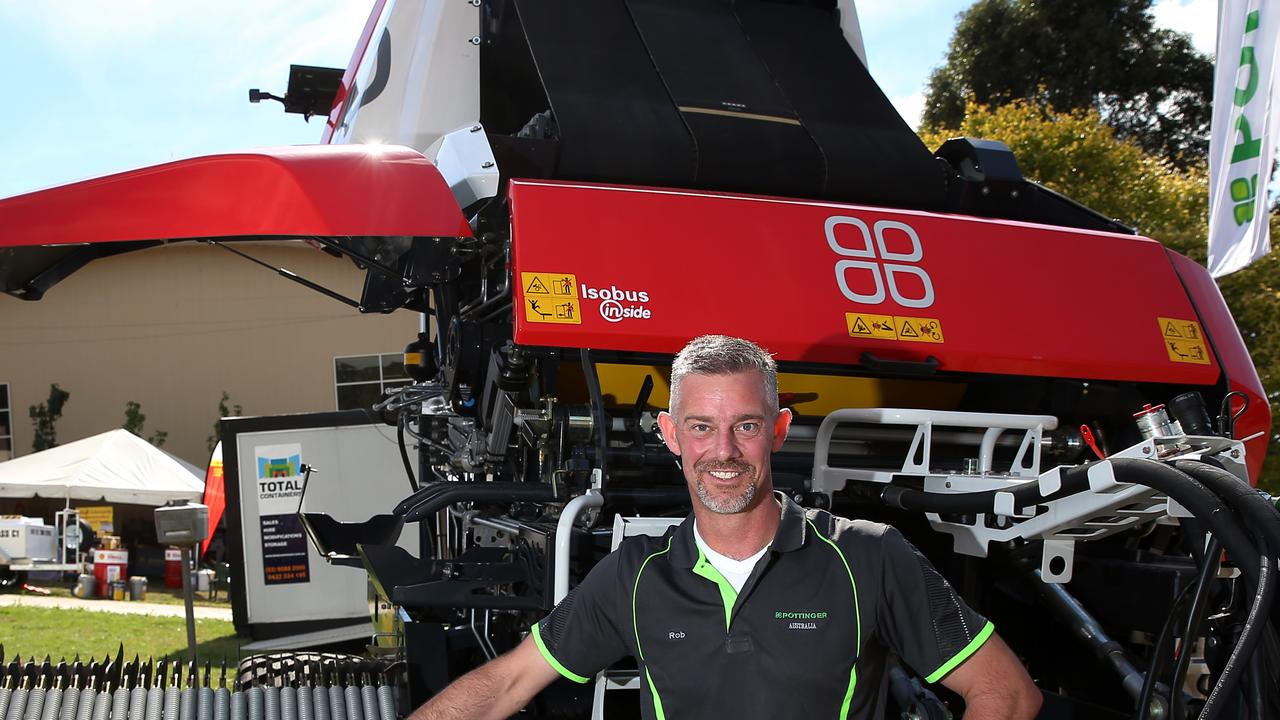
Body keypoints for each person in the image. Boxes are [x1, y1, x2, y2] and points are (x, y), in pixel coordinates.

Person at [410, 335, 1041, 719]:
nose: (724, 452)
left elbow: (1008, 694)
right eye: (702, 427)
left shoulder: (868, 557)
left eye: (744, 425)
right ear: (671, 436)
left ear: (778, 430)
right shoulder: (637, 573)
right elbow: (509, 681)